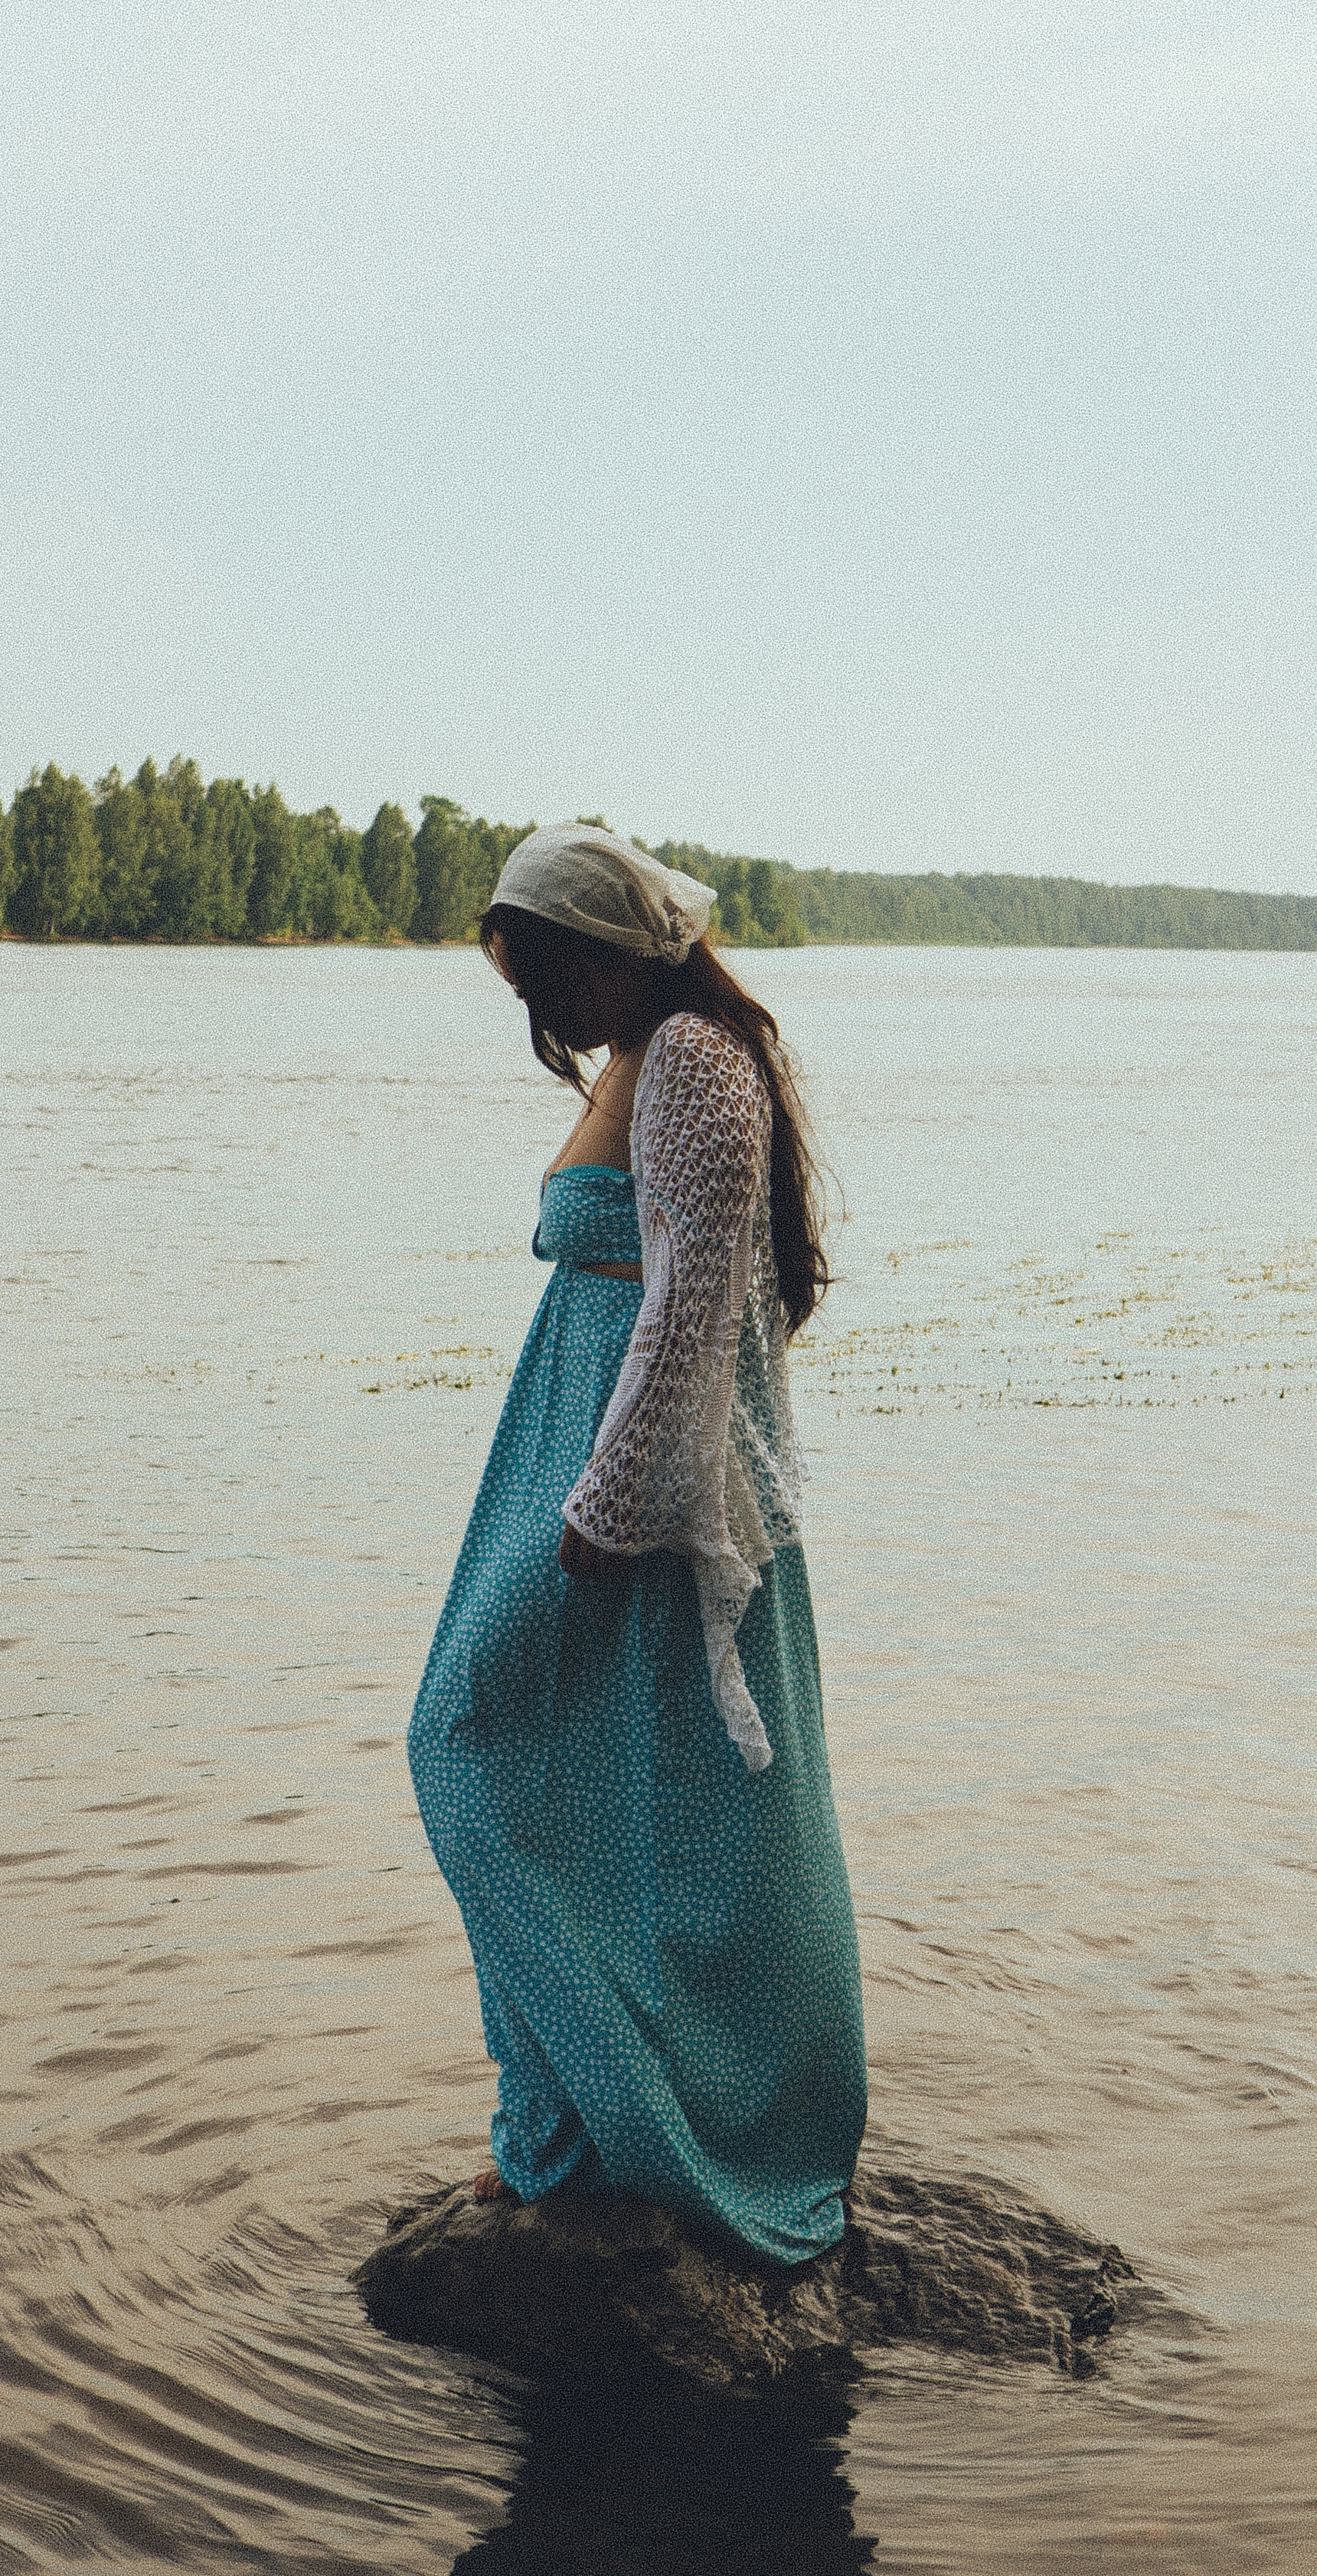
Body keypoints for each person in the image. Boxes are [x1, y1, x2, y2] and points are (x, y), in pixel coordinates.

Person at [407, 825, 868, 2266]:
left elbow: (692, 1311)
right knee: (594, 1793)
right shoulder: (651, 1056)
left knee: (472, 1749)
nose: (543, 1016)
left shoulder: (694, 1065)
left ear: (609, 952)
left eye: (550, 978)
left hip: (630, 1489)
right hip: (575, 1452)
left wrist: (609, 1514)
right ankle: (560, 2136)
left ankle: (661, 2133)